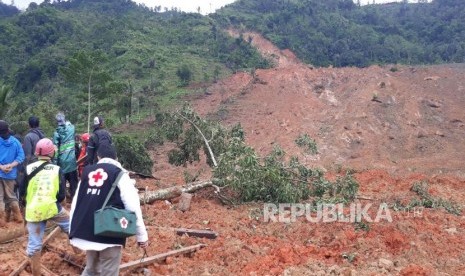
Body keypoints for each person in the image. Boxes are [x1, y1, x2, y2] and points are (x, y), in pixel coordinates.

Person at [70, 143, 148, 275]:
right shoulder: (120, 174)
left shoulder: (87, 172)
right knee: (109, 271)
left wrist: (72, 230)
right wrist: (142, 236)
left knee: (91, 269)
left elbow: (76, 203)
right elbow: (133, 207)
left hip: (86, 231)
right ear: (116, 158)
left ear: (98, 157)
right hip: (109, 233)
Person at [19, 138, 70, 276]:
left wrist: (25, 208)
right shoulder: (57, 169)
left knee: (34, 244)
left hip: (33, 210)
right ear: (51, 153)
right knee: (72, 227)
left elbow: (22, 192)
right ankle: (78, 253)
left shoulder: (28, 168)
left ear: (37, 153)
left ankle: (36, 272)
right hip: (52, 208)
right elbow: (61, 196)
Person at [0, 120, 25, 226]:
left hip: (1, 171)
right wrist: (11, 165)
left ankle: (1, 220)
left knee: (0, 197)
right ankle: (18, 217)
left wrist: (1, 166)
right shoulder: (16, 142)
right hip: (10, 173)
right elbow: (21, 157)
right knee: (11, 196)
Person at [52, 112, 79, 200]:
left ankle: (63, 201)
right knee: (73, 183)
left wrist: (54, 163)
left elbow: (55, 149)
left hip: (61, 163)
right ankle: (74, 199)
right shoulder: (71, 128)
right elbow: (70, 124)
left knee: (62, 185)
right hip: (71, 161)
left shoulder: (56, 133)